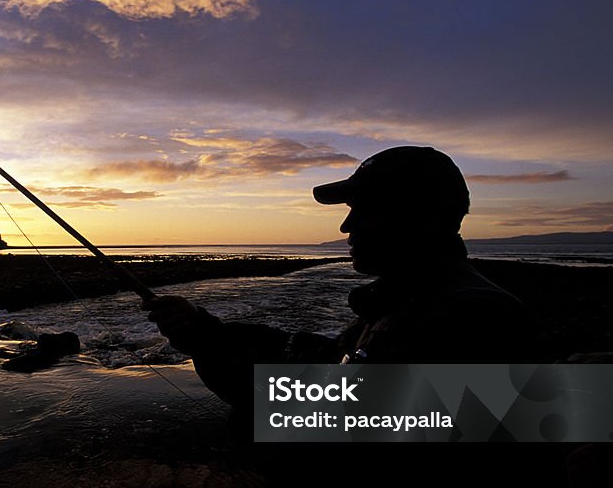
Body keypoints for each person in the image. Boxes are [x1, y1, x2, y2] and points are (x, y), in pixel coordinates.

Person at [144, 146, 530, 413]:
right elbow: (330, 357)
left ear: (416, 217)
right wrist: (206, 328)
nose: (347, 225)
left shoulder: (473, 318)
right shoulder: (410, 299)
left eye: (363, 210)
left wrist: (204, 346)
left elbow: (328, 421)